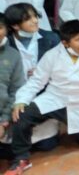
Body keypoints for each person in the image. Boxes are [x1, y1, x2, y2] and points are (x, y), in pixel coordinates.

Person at [8, 20, 79, 174]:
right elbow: (37, 81)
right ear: (65, 43)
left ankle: (68, 127)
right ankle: (21, 158)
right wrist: (21, 100)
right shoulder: (51, 55)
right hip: (55, 98)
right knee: (22, 115)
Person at [0, 13, 26, 160]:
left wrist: (3, 121)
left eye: (0, 28)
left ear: (6, 29)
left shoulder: (13, 55)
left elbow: (16, 90)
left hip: (4, 115)